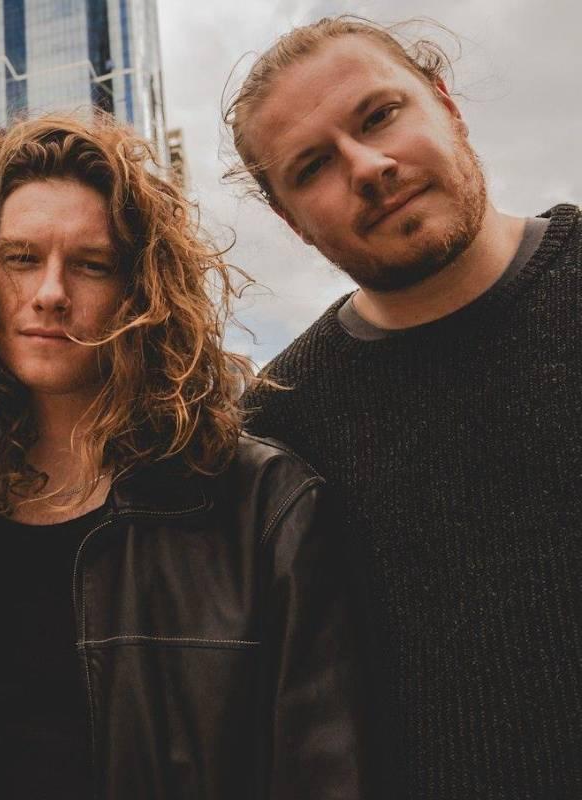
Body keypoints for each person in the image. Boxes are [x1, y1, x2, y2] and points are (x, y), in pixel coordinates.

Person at [0, 114, 362, 799]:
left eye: (91, 264)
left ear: (139, 290)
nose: (50, 293)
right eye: (21, 258)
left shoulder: (263, 505)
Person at [225, 16, 582, 798]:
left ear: (446, 104)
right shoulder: (278, 429)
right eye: (313, 165)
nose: (368, 167)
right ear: (289, 220)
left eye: (379, 115)